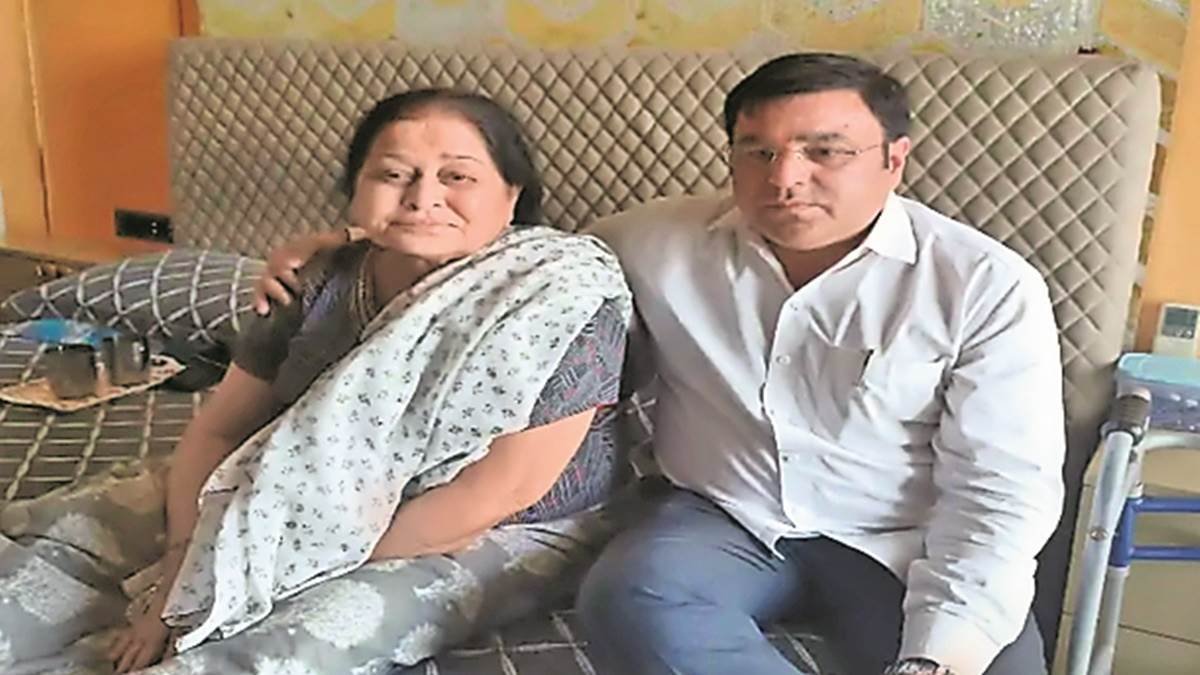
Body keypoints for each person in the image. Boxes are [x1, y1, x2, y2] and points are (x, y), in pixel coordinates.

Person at [252, 54, 1066, 675]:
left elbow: (1001, 492)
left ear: (894, 158)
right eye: (757, 151)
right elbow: (497, 249)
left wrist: (934, 657)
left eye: (825, 151)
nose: (785, 178)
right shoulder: (652, 241)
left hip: (905, 533)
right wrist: (349, 244)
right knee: (627, 597)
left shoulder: (985, 286)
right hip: (722, 514)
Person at [0, 88, 631, 674]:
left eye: (457, 177)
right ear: (354, 193)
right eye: (393, 175)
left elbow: (494, 496)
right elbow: (220, 429)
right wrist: (183, 556)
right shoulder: (312, 279)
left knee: (280, 648)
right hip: (294, 480)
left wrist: (254, 570)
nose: (422, 198)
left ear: (512, 195)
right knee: (64, 536)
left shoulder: (560, 300)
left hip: (492, 528)